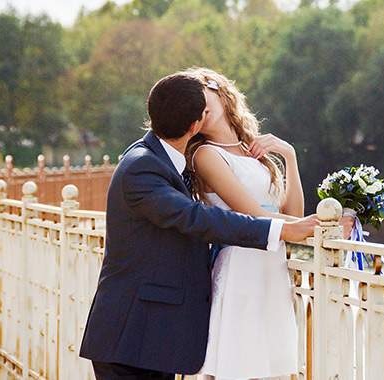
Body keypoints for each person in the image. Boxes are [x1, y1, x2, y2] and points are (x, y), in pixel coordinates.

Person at [79, 71, 321, 380]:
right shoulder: (142, 167)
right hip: (130, 335)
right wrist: (285, 229)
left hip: (151, 333)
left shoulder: (158, 160)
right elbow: (197, 217)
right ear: (195, 127)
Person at [184, 68, 354, 380]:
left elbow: (291, 209)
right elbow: (252, 215)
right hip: (241, 264)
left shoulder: (254, 150)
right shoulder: (205, 155)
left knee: (270, 367)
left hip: (271, 265)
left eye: (202, 94)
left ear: (220, 91)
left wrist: (289, 156)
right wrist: (319, 228)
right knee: (239, 365)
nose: (199, 106)